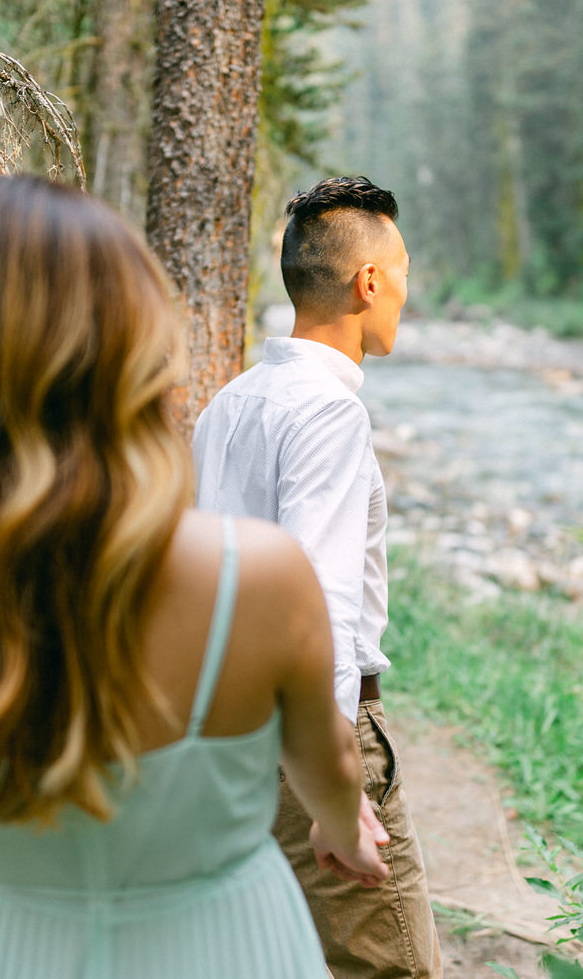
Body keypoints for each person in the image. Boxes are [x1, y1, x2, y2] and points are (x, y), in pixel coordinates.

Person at [0, 175, 391, 978]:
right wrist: (340, 825)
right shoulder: (256, 577)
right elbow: (327, 763)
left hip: (5, 951)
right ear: (136, 360)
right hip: (227, 945)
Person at [193, 176, 442, 979]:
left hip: (227, 734)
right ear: (369, 281)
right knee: (392, 966)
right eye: (402, 267)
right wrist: (338, 788)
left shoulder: (230, 404)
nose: (406, 286)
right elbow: (319, 605)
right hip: (311, 740)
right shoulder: (331, 413)